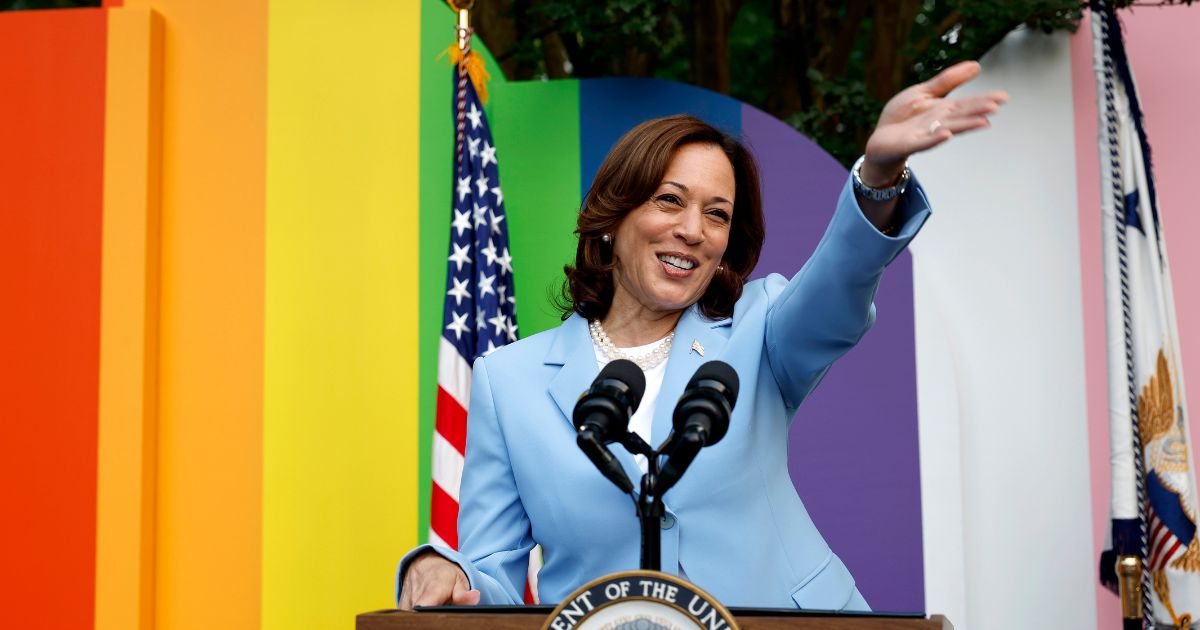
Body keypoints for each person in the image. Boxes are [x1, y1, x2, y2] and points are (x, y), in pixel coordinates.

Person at [397, 60, 1006, 610]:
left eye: (717, 213)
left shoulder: (759, 328)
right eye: (669, 200)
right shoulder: (511, 381)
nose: (693, 230)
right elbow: (490, 576)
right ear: (614, 217)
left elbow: (835, 287)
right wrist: (440, 568)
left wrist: (878, 175)